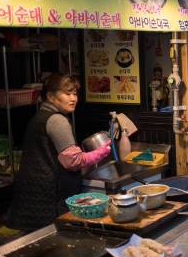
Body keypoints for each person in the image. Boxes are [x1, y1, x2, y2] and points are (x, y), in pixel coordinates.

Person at [7, 73, 112, 229]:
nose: (73, 98)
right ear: (50, 96)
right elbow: (73, 161)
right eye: (67, 93)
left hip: (31, 196)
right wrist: (102, 152)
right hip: (50, 198)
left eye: (75, 93)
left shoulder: (39, 117)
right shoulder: (57, 120)